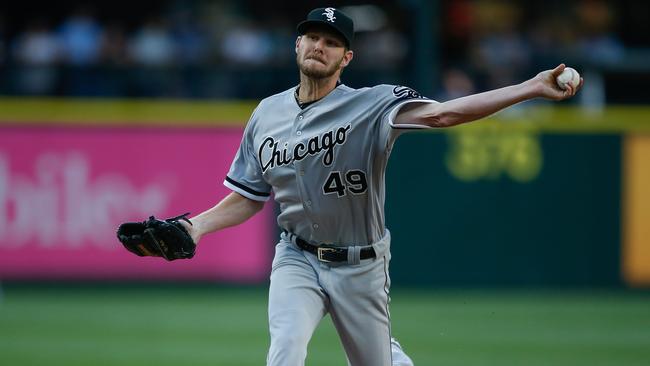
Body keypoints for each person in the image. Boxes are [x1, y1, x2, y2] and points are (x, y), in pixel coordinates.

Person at [182, 7, 582, 366]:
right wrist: (195, 227)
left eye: (333, 42)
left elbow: (443, 115)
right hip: (296, 257)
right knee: (285, 351)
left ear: (346, 58)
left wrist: (531, 87)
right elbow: (249, 197)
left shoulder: (372, 104)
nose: (321, 46)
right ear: (298, 43)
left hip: (360, 266)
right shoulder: (266, 113)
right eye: (314, 37)